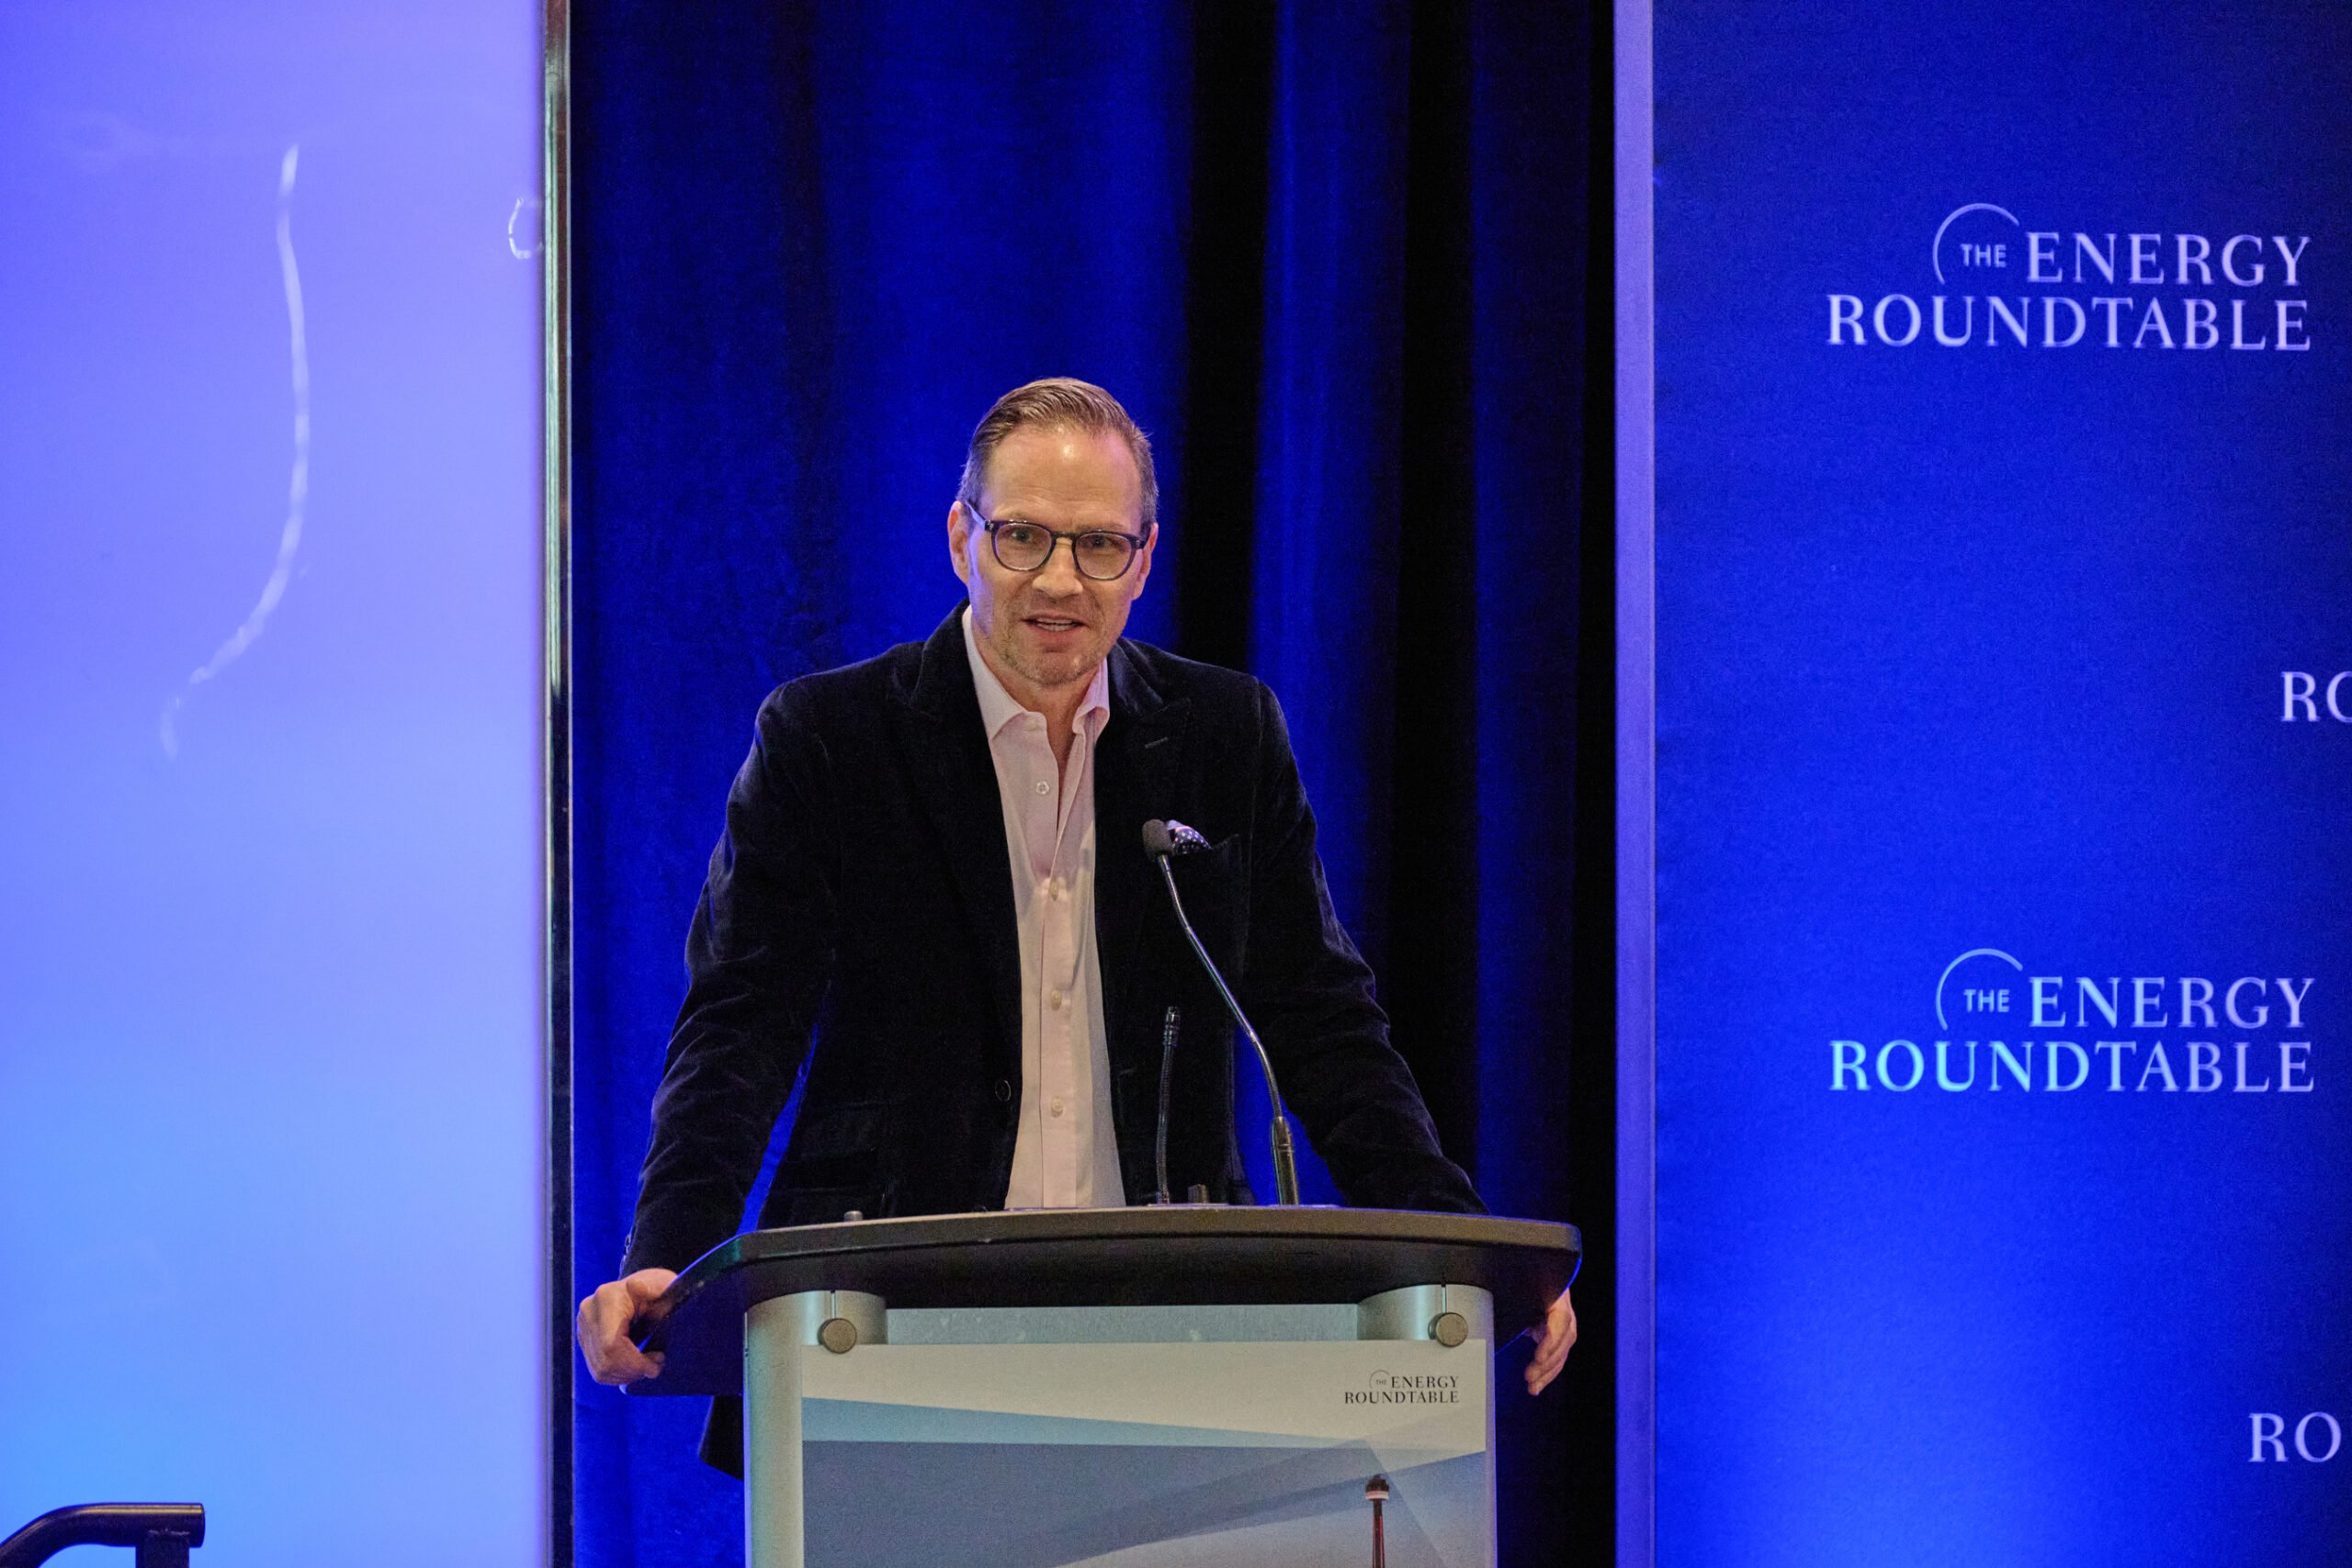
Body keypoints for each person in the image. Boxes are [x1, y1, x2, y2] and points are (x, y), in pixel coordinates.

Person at [576, 379, 1575, 1443]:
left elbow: (1322, 1021)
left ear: (1143, 561)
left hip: (1175, 1329)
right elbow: (739, 1025)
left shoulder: (1224, 735)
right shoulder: (831, 739)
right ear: (960, 539)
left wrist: (1462, 1254)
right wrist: (668, 1251)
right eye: (1022, 538)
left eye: (1098, 545)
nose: (1059, 579)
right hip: (885, 1323)